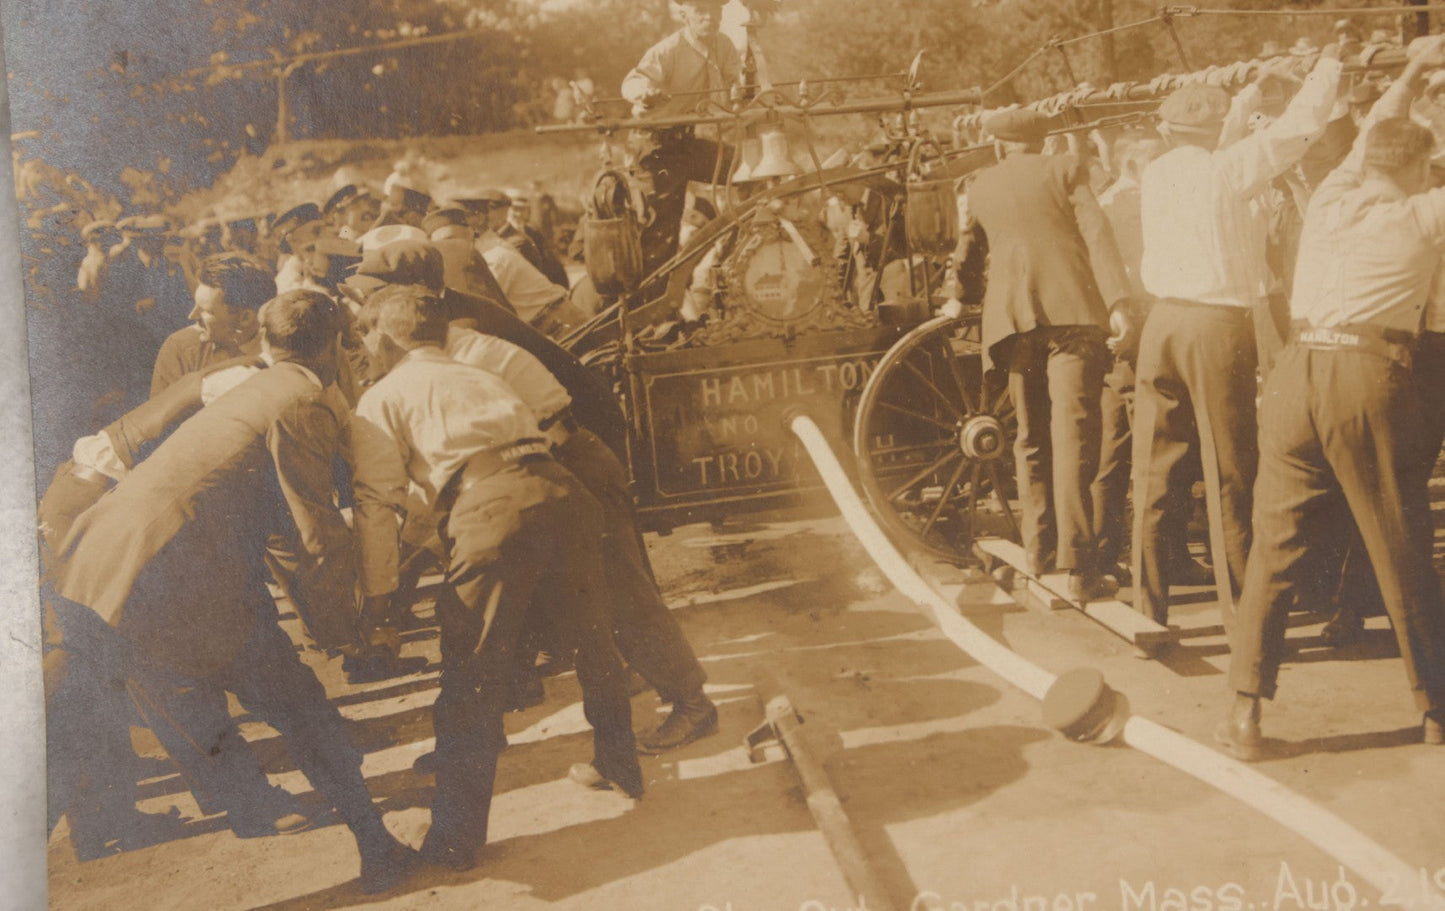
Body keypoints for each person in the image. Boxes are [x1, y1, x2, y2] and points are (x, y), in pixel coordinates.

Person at [46, 289, 416, 892]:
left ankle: (351, 838)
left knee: (119, 719)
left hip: (98, 566)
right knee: (304, 709)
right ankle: (378, 850)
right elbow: (312, 531)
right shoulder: (302, 399)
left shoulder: (246, 385)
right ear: (333, 348)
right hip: (171, 570)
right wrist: (350, 634)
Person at [348, 285, 643, 871]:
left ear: (385, 337)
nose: (363, 347)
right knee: (594, 638)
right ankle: (620, 761)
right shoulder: (477, 375)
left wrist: (380, 596)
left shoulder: (381, 397)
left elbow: (377, 504)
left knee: (471, 674)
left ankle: (455, 839)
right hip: (562, 493)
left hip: (495, 507)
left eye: (364, 335)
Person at [1219, 48, 1445, 759]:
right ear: (1414, 170)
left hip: (1295, 373)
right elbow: (1397, 146)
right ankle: (1435, 709)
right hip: (1361, 374)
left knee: (1273, 550)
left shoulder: (1331, 196)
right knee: (1397, 540)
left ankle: (1245, 715)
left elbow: (1380, 127)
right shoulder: (1417, 216)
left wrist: (1409, 76)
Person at [1130, 47, 1344, 627]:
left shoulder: (1158, 171)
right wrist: (1327, 69)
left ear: (1168, 130)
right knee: (1231, 467)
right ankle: (1246, 606)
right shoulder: (1227, 170)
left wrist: (1249, 94)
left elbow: (1215, 143)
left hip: (1162, 324)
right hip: (1214, 327)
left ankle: (1149, 605)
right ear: (1213, 129)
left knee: (1154, 468)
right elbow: (1296, 132)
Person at [965, 108, 1133, 600]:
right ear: (1040, 141)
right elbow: (1097, 233)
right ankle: (1081, 569)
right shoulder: (1066, 168)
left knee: (1031, 437)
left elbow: (967, 252)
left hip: (1013, 323)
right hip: (1073, 314)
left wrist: (960, 293)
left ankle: (1040, 554)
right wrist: (1119, 301)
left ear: (999, 145)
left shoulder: (980, 185)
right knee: (1074, 435)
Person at [621, 0, 740, 273]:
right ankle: (655, 306)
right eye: (701, 11)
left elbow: (738, 86)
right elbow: (632, 82)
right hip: (656, 147)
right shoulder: (669, 49)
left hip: (687, 143)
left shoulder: (723, 46)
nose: (709, 17)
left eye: (715, 10)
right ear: (685, 14)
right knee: (662, 233)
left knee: (747, 169)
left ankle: (737, 260)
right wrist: (645, 93)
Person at [150, 252, 274, 397]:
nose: (192, 316)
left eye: (206, 311)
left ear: (245, 318)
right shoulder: (180, 348)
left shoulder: (278, 355)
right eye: (196, 305)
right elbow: (159, 414)